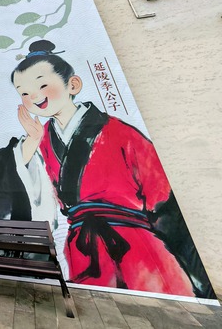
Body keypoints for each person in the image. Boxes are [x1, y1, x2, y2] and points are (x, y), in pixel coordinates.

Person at [12, 39, 214, 298]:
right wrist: (32, 141)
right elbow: (31, 192)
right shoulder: (41, 141)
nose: (34, 97)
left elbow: (161, 198)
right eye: (24, 93)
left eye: (41, 85)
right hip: (82, 247)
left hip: (135, 246)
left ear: (73, 85)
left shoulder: (120, 133)